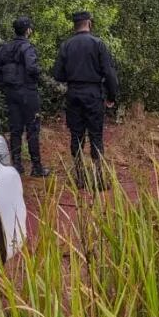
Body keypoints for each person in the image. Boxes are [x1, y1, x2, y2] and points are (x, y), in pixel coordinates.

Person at [52, 11, 119, 189]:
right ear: (89, 23)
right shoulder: (97, 44)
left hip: (73, 93)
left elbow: (57, 74)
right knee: (96, 135)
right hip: (93, 93)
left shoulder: (66, 45)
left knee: (77, 135)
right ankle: (99, 179)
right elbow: (109, 73)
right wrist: (112, 96)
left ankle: (80, 177)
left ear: (75, 25)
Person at [0, 16, 50, 177]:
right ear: (27, 30)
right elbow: (32, 68)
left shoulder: (6, 47)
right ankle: (36, 167)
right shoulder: (27, 47)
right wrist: (39, 74)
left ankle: (17, 165)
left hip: (11, 93)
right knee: (32, 129)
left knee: (15, 129)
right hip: (28, 92)